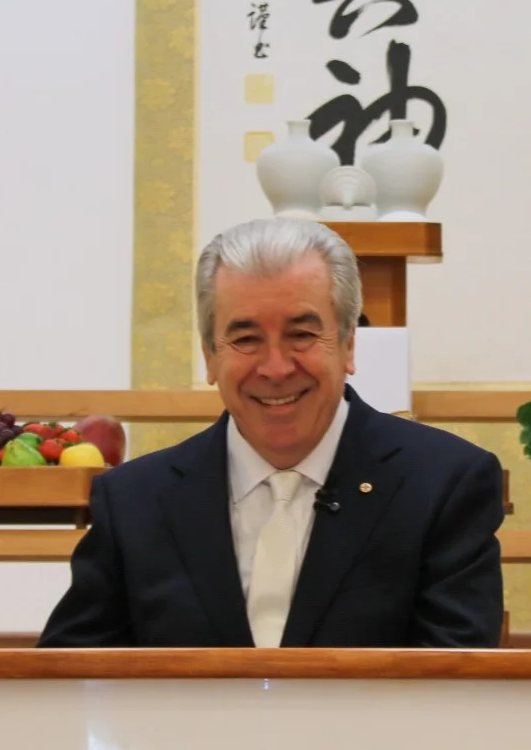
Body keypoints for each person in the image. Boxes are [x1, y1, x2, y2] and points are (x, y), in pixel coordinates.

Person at [38, 218, 504, 648]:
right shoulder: (134, 501)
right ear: (210, 357)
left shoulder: (444, 485)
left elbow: (456, 680)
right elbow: (70, 680)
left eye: (301, 335)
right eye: (246, 339)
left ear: (348, 345)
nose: (276, 368)